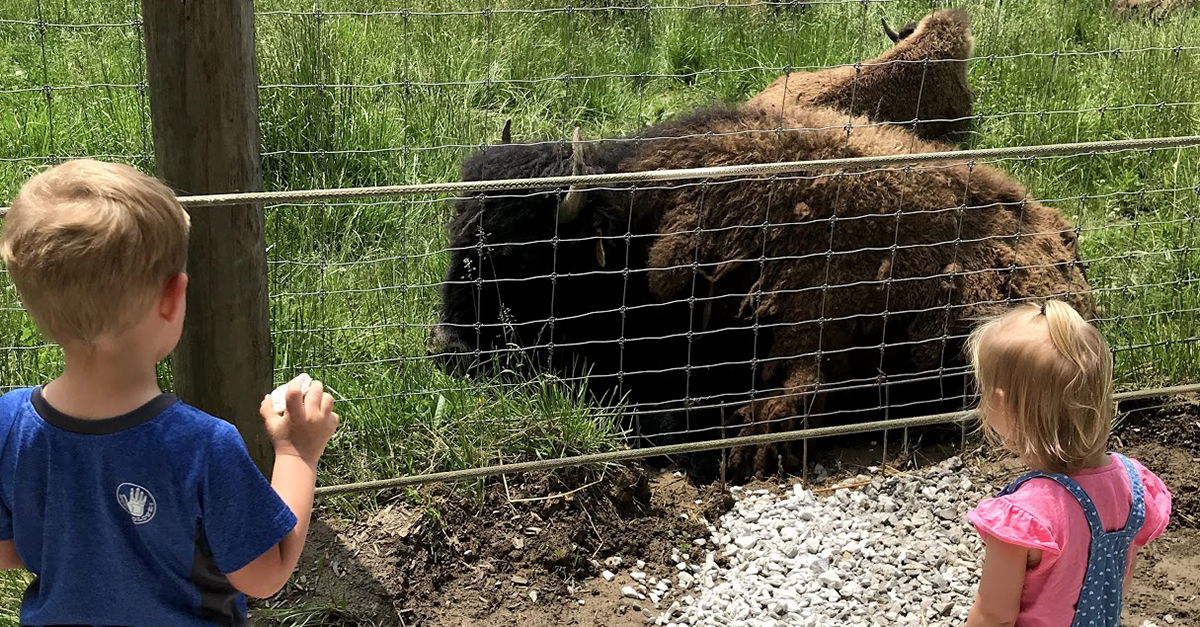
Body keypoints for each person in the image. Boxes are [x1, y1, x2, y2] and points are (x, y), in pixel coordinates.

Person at [0, 159, 339, 625]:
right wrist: (296, 452)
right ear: (173, 297)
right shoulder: (202, 446)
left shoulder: (9, 420)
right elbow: (265, 574)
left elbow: (7, 549)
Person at [964, 299, 1171, 627]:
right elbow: (1117, 579)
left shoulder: (1024, 516)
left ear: (1002, 404)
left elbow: (994, 615)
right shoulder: (1133, 486)